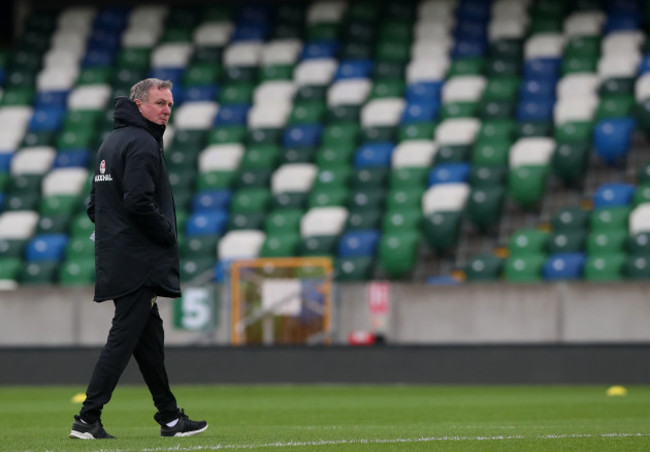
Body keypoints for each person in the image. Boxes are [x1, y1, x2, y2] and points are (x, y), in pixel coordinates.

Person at [69, 78, 208, 440]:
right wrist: (166, 235)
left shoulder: (111, 143)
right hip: (138, 262)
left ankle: (170, 417)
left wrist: (116, 236)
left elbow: (94, 206)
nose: (166, 111)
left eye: (170, 105)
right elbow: (138, 201)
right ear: (139, 104)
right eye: (160, 103)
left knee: (148, 341)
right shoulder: (143, 143)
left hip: (120, 257)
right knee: (123, 339)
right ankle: (87, 418)